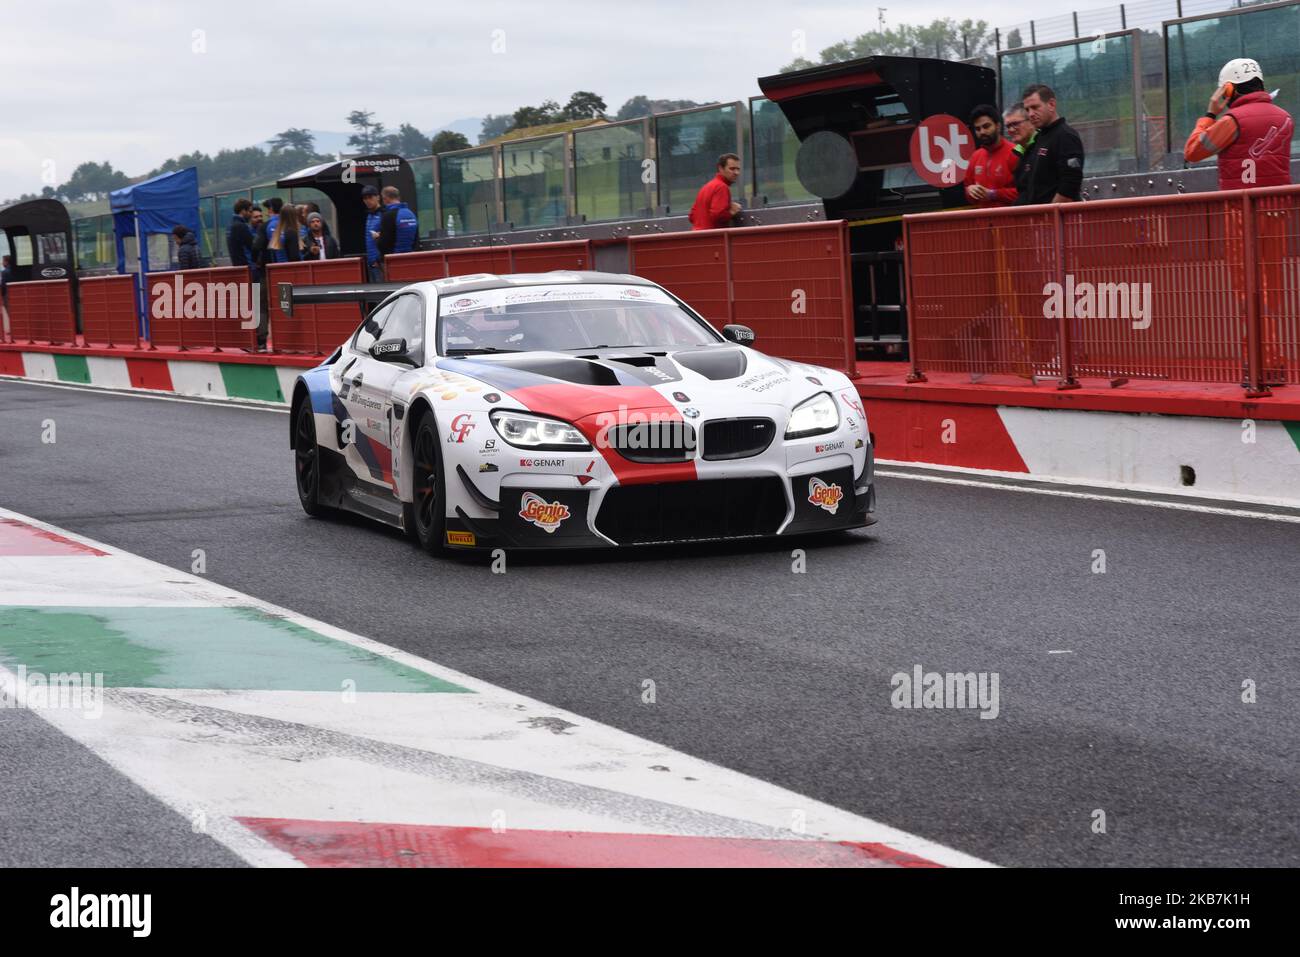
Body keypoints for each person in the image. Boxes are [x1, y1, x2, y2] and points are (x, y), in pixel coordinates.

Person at [1183, 58, 1293, 189]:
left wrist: (1210, 115)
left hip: (1241, 206)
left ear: (1228, 89)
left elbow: (1192, 153)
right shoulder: (1286, 118)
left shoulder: (1232, 121)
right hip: (1279, 205)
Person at [1015, 84, 1085, 205]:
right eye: (1027, 109)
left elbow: (1070, 183)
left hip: (1056, 218)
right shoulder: (1039, 138)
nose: (1031, 114)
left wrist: (1052, 215)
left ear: (1051, 104)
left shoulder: (1065, 136)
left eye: (1035, 107)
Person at [964, 104, 1019, 208]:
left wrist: (993, 194)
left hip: (1011, 221)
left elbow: (1025, 193)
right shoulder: (975, 156)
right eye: (977, 129)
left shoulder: (1015, 153)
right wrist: (970, 191)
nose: (982, 132)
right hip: (983, 221)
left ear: (998, 126)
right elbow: (968, 191)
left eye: (986, 126)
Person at [689, 153, 742, 230]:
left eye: (738, 169)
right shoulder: (721, 187)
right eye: (732, 169)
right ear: (720, 168)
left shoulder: (706, 187)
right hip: (714, 238)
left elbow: (692, 216)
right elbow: (718, 215)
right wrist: (731, 212)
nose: (737, 173)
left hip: (697, 237)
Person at [376, 186, 418, 261]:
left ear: (386, 198)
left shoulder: (388, 216)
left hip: (394, 260)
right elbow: (416, 239)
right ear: (398, 197)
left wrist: (377, 238)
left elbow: (383, 244)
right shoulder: (411, 214)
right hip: (410, 258)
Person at [226, 198, 256, 270]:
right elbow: (252, 246)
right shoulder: (241, 226)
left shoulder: (229, 226)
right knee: (256, 282)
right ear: (243, 211)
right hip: (247, 266)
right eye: (250, 211)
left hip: (237, 266)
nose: (251, 214)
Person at [361, 186, 383, 282]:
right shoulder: (369, 215)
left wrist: (379, 259)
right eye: (365, 198)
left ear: (378, 197)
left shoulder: (383, 213)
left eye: (370, 197)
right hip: (370, 262)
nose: (367, 200)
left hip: (379, 263)